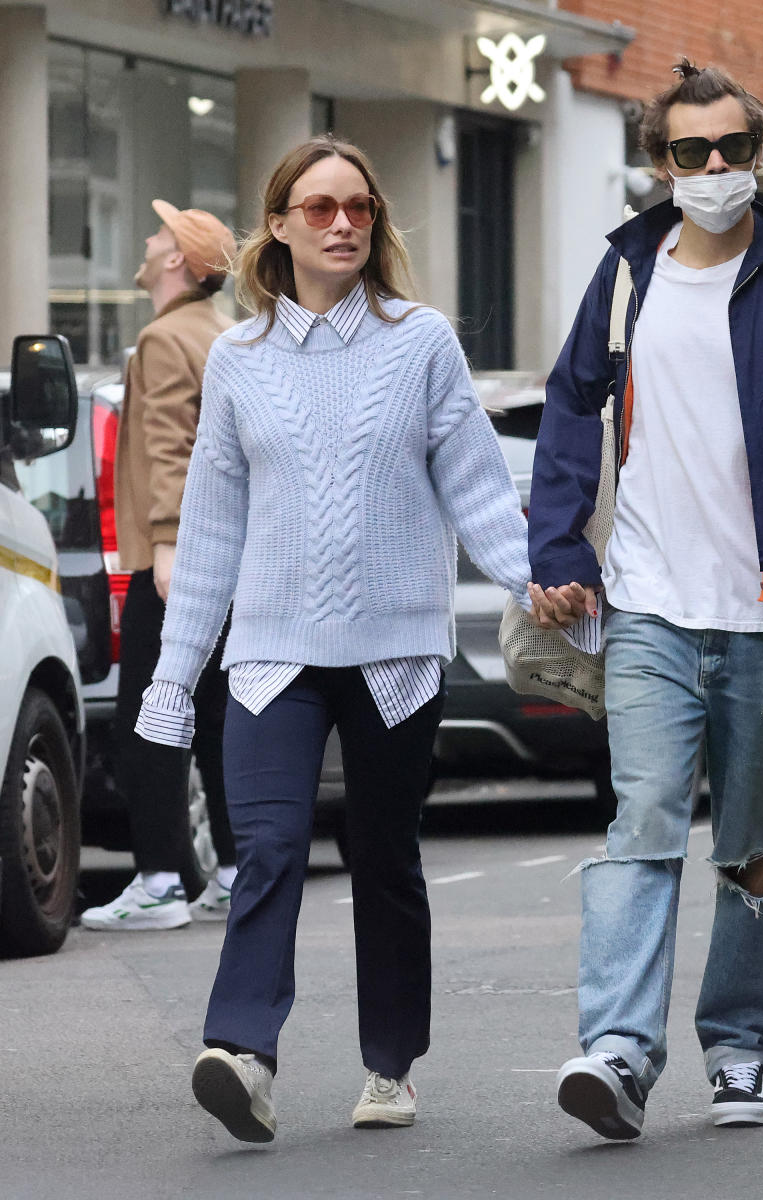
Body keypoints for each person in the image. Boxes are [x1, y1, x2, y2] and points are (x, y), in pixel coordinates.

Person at [526, 58, 763, 1139]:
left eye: (734, 148)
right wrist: (559, 550)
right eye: (693, 152)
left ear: (758, 151)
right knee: (641, 821)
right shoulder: (628, 275)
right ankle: (619, 1053)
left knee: (748, 845)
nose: (717, 167)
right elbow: (567, 408)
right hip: (646, 604)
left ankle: (739, 1048)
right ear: (660, 163)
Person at [134, 135, 531, 1142]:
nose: (343, 223)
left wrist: (543, 581)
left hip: (395, 653)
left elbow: (478, 490)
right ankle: (244, 1055)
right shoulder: (239, 359)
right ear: (279, 226)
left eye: (358, 206)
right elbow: (211, 529)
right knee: (266, 847)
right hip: (271, 654)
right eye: (319, 208)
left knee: (384, 854)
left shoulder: (422, 342)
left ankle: (390, 1065)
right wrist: (174, 678)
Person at [80, 202, 240, 933]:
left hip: (173, 560)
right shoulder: (225, 332)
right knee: (215, 717)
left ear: (177, 260)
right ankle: (231, 872)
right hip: (231, 556)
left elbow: (172, 447)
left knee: (151, 715)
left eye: (159, 234)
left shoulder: (165, 337)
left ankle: (159, 880)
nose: (146, 240)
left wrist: (168, 545)